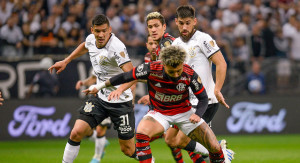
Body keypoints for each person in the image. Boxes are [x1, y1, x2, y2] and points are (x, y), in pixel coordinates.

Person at [85, 45, 230, 163]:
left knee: (215, 148)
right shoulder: (151, 69)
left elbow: (203, 98)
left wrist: (198, 115)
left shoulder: (189, 73)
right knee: (141, 133)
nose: (175, 75)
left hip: (184, 113)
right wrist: (99, 87)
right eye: (171, 71)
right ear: (163, 65)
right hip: (160, 114)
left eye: (178, 70)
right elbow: (125, 76)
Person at [48, 14, 137, 163]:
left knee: (128, 149)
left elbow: (133, 75)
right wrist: (66, 60)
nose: (101, 35)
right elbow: (85, 45)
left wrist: (120, 89)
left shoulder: (117, 47)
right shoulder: (91, 39)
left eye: (104, 31)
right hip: (99, 97)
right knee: (76, 132)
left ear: (110, 30)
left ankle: (149, 159)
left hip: (120, 102)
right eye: (97, 31)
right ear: (92, 30)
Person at [171, 5, 233, 162]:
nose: (184, 27)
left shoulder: (203, 39)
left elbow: (221, 63)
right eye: (181, 23)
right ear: (176, 22)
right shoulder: (175, 44)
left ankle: (219, 151)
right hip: (186, 103)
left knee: (180, 141)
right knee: (174, 140)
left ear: (194, 22)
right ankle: (218, 150)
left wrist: (217, 89)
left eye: (188, 23)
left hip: (205, 101)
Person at [75, 75, 111, 163]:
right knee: (85, 130)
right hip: (94, 98)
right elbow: (93, 78)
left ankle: (97, 157)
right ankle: (102, 142)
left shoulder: (115, 63)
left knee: (100, 130)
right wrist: (83, 83)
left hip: (108, 98)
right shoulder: (96, 62)